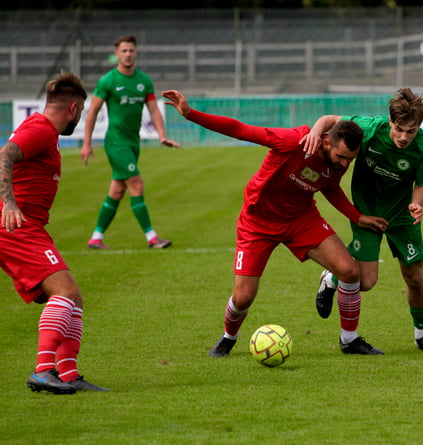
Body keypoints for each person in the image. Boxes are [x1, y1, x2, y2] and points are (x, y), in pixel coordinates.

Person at [161, 89, 389, 356]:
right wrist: (190, 114)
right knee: (243, 297)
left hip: (301, 219)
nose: (344, 163)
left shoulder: (339, 161)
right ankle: (228, 337)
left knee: (349, 271)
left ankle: (349, 340)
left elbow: (330, 187)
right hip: (258, 222)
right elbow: (240, 129)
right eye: (341, 157)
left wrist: (357, 216)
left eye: (350, 159)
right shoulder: (293, 141)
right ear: (327, 142)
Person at [302, 88, 423, 353]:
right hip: (367, 214)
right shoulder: (369, 128)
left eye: (411, 131)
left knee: (414, 276)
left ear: (419, 127)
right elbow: (330, 119)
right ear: (390, 121)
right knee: (365, 282)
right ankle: (331, 279)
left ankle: (422, 334)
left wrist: (417, 203)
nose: (403, 137)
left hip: (401, 216)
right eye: (399, 129)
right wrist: (314, 132)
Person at [0, 72, 108, 394]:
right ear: (73, 109)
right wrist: (8, 203)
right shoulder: (41, 131)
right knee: (65, 292)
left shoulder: (42, 131)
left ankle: (68, 374)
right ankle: (44, 370)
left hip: (28, 227)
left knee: (73, 297)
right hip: (17, 227)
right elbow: (5, 155)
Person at [81, 35, 179, 250]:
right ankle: (152, 238)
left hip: (133, 143)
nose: (127, 54)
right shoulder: (108, 81)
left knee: (117, 191)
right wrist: (86, 143)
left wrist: (162, 135)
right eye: (123, 50)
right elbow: (92, 112)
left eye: (131, 50)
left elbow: (153, 109)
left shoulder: (144, 81)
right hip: (116, 143)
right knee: (136, 184)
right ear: (116, 54)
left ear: (136, 53)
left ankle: (96, 238)